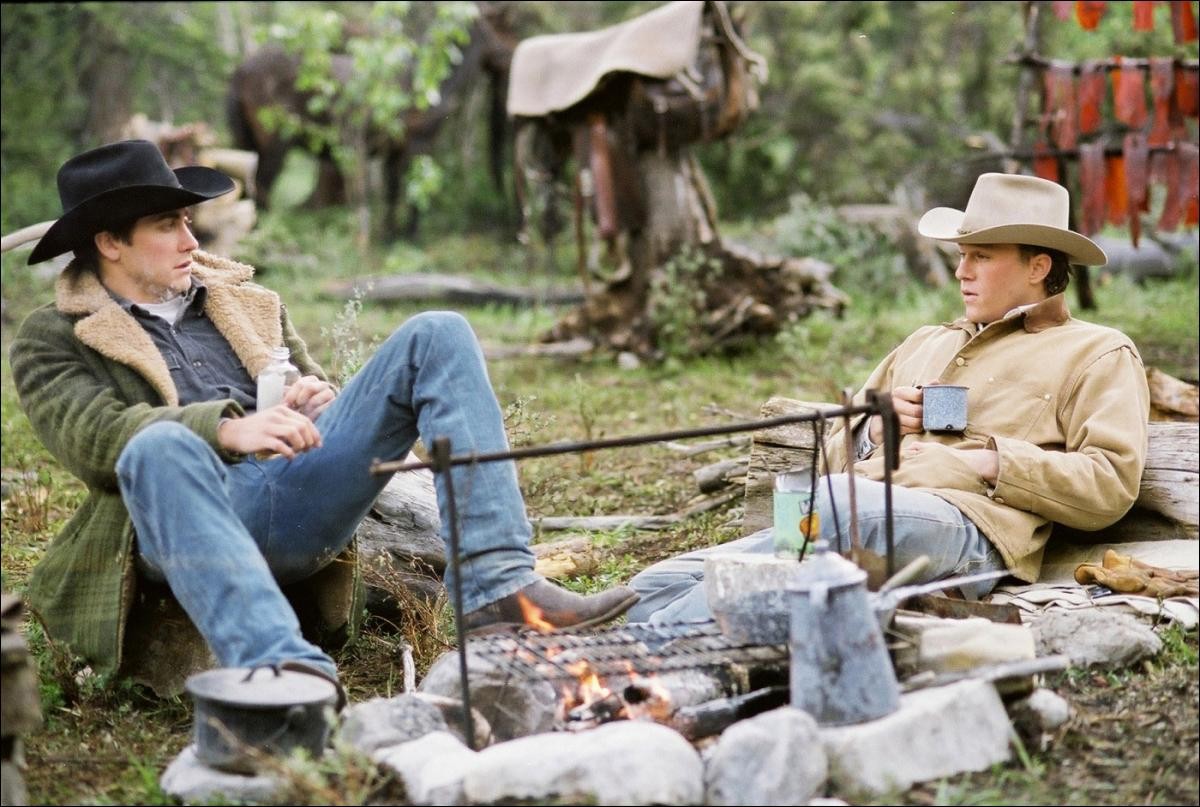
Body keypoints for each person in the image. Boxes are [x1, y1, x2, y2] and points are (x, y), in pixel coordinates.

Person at [11, 140, 638, 696]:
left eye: (188, 220)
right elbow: (94, 440)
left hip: (298, 492)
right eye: (167, 225)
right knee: (154, 450)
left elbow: (318, 391)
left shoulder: (244, 300)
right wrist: (224, 428)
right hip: (184, 514)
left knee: (438, 332)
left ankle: (498, 588)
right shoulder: (54, 336)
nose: (191, 241)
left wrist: (317, 400)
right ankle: (282, 671)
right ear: (110, 242)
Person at [627, 172, 1150, 623]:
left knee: (830, 515)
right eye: (962, 256)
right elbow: (830, 459)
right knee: (656, 581)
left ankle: (645, 654)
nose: (960, 272)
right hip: (852, 512)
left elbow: (1110, 481)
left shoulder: (1097, 352)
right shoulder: (926, 341)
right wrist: (873, 433)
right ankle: (630, 633)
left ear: (1038, 267)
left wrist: (990, 462)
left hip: (970, 531)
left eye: (981, 257)